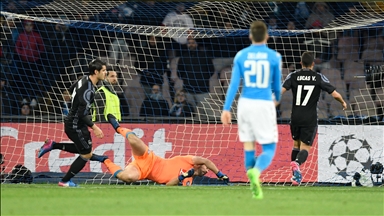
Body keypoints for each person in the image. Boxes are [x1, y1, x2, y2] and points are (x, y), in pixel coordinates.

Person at [221, 21, 282, 199]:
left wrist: (226, 109)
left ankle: (253, 183)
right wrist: (277, 99)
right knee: (269, 148)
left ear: (250, 36)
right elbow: (277, 85)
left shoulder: (241, 55)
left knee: (249, 146)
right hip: (263, 103)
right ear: (267, 36)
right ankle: (256, 171)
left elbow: (234, 84)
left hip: (245, 104)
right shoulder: (274, 57)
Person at [37, 59, 108, 187]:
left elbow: (71, 89)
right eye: (103, 70)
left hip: (76, 123)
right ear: (96, 72)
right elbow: (82, 113)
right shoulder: (88, 90)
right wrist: (95, 127)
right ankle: (64, 181)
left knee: (86, 149)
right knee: (86, 153)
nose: (105, 73)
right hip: (74, 124)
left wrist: (76, 101)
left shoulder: (83, 79)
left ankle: (53, 145)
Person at [103, 114, 229, 186]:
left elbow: (168, 185)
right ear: (199, 165)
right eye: (206, 169)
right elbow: (206, 160)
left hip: (144, 172)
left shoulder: (188, 180)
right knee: (133, 140)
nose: (207, 171)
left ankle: (105, 160)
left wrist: (183, 176)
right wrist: (219, 174)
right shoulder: (189, 160)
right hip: (149, 158)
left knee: (127, 177)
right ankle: (118, 128)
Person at [281, 52, 347, 184]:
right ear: (313, 63)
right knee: (305, 148)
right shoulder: (318, 77)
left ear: (300, 63)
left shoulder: (293, 76)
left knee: (296, 145)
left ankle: (295, 176)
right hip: (309, 118)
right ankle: (297, 164)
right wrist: (342, 102)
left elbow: (279, 92)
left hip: (295, 117)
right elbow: (334, 94)